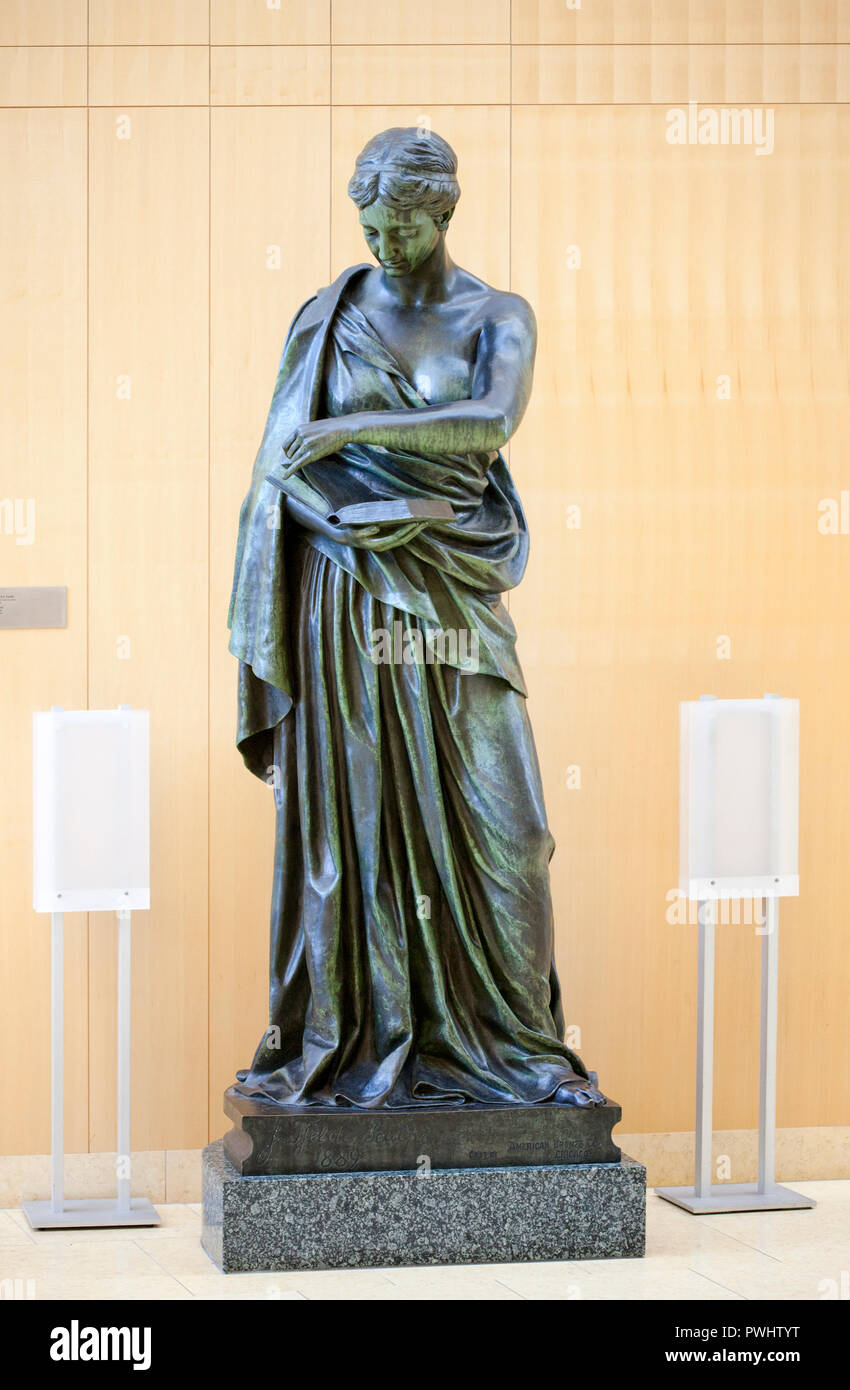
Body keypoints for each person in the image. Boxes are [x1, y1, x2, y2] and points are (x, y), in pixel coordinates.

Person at [227, 127, 603, 1109]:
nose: (380, 244)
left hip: (455, 602)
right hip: (349, 604)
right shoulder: (327, 317)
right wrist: (348, 519)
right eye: (368, 225)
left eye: (399, 227)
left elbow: (486, 421)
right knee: (359, 828)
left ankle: (521, 1048)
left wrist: (353, 428)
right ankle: (365, 1039)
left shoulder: (498, 315)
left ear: (442, 215)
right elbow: (277, 474)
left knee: (509, 826)